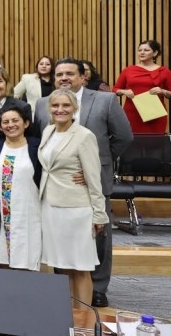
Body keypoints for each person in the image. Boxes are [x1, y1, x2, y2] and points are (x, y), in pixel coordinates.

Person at [34, 58, 132, 307]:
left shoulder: (105, 101)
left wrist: (95, 164)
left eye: (69, 73)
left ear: (82, 77)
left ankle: (93, 298)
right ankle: (67, 304)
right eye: (59, 74)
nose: (64, 78)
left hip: (84, 194)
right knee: (62, 258)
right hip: (53, 199)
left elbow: (123, 137)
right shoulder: (44, 111)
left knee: (90, 253)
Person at [38, 88, 107, 308]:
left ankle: (84, 317)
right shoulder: (48, 131)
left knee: (81, 266)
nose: (60, 109)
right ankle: (68, 314)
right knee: (62, 265)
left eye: (66, 105)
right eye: (55, 105)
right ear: (49, 109)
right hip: (50, 206)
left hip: (76, 210)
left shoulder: (84, 136)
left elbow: (94, 178)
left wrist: (99, 213)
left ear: (75, 108)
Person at [0, 106, 42, 270]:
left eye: (15, 120)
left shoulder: (37, 146)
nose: (10, 125)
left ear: (26, 123)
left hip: (28, 214)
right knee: (2, 259)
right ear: (0, 127)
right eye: (5, 122)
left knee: (26, 259)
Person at [114, 39, 171, 134]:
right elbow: (115, 89)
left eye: (146, 50)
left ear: (155, 53)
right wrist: (124, 91)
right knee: (132, 141)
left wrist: (162, 91)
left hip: (155, 115)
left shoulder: (165, 72)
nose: (142, 52)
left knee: (154, 142)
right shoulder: (128, 70)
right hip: (132, 114)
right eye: (140, 50)